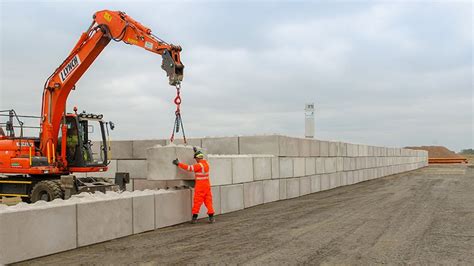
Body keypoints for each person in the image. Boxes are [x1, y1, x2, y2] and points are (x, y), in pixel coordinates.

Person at [173, 147, 215, 224]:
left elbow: (189, 168)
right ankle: (211, 217)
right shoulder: (206, 164)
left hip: (200, 187)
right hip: (207, 186)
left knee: (197, 202)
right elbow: (200, 157)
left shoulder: (198, 166)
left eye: (196, 159)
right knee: (208, 201)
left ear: (198, 158)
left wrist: (178, 164)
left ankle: (194, 218)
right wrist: (196, 152)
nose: (195, 160)